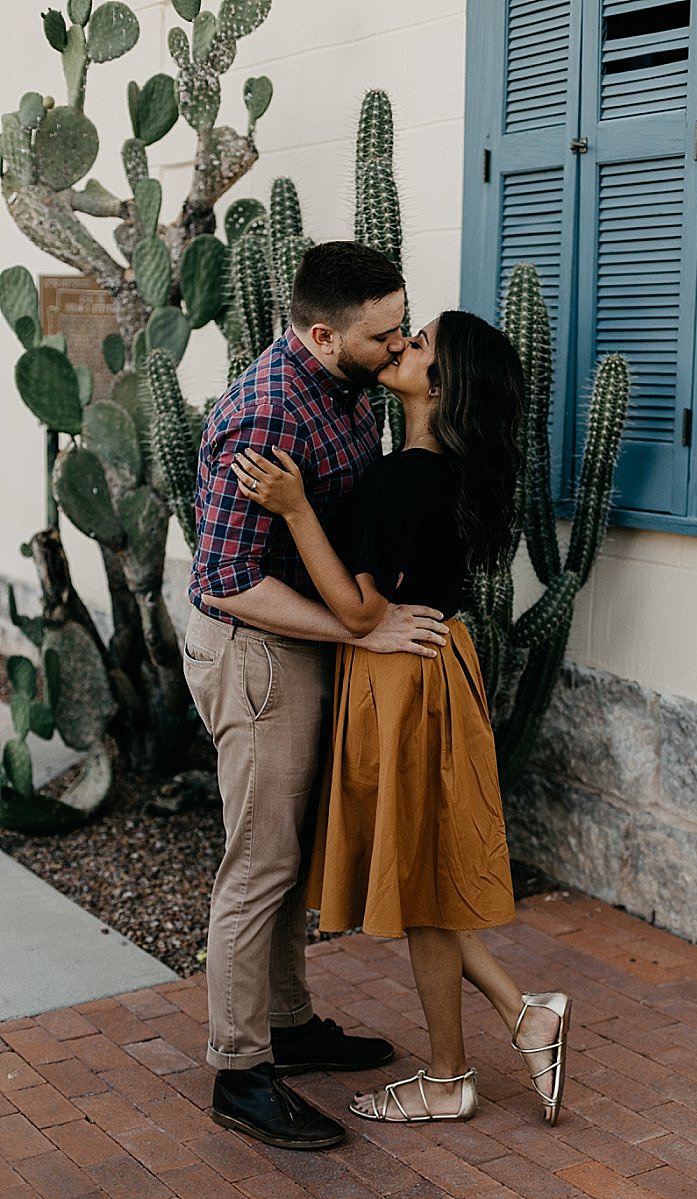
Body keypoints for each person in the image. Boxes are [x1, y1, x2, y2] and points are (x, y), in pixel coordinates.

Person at [230, 309, 571, 1128]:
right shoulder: (451, 472)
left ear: (441, 384)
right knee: (420, 880)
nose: (402, 345)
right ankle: (518, 1020)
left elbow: (357, 609)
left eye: (419, 346)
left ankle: (458, 1070)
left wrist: (294, 507)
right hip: (437, 668)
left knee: (417, 880)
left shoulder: (403, 477)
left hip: (399, 679)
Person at [184, 241, 452, 1151]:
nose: (400, 347)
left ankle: (290, 1025)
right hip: (254, 652)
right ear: (323, 333)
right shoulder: (263, 414)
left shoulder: (348, 385)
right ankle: (239, 1069)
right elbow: (223, 578)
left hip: (306, 643)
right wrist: (359, 628)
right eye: (384, 337)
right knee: (257, 865)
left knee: (290, 858)